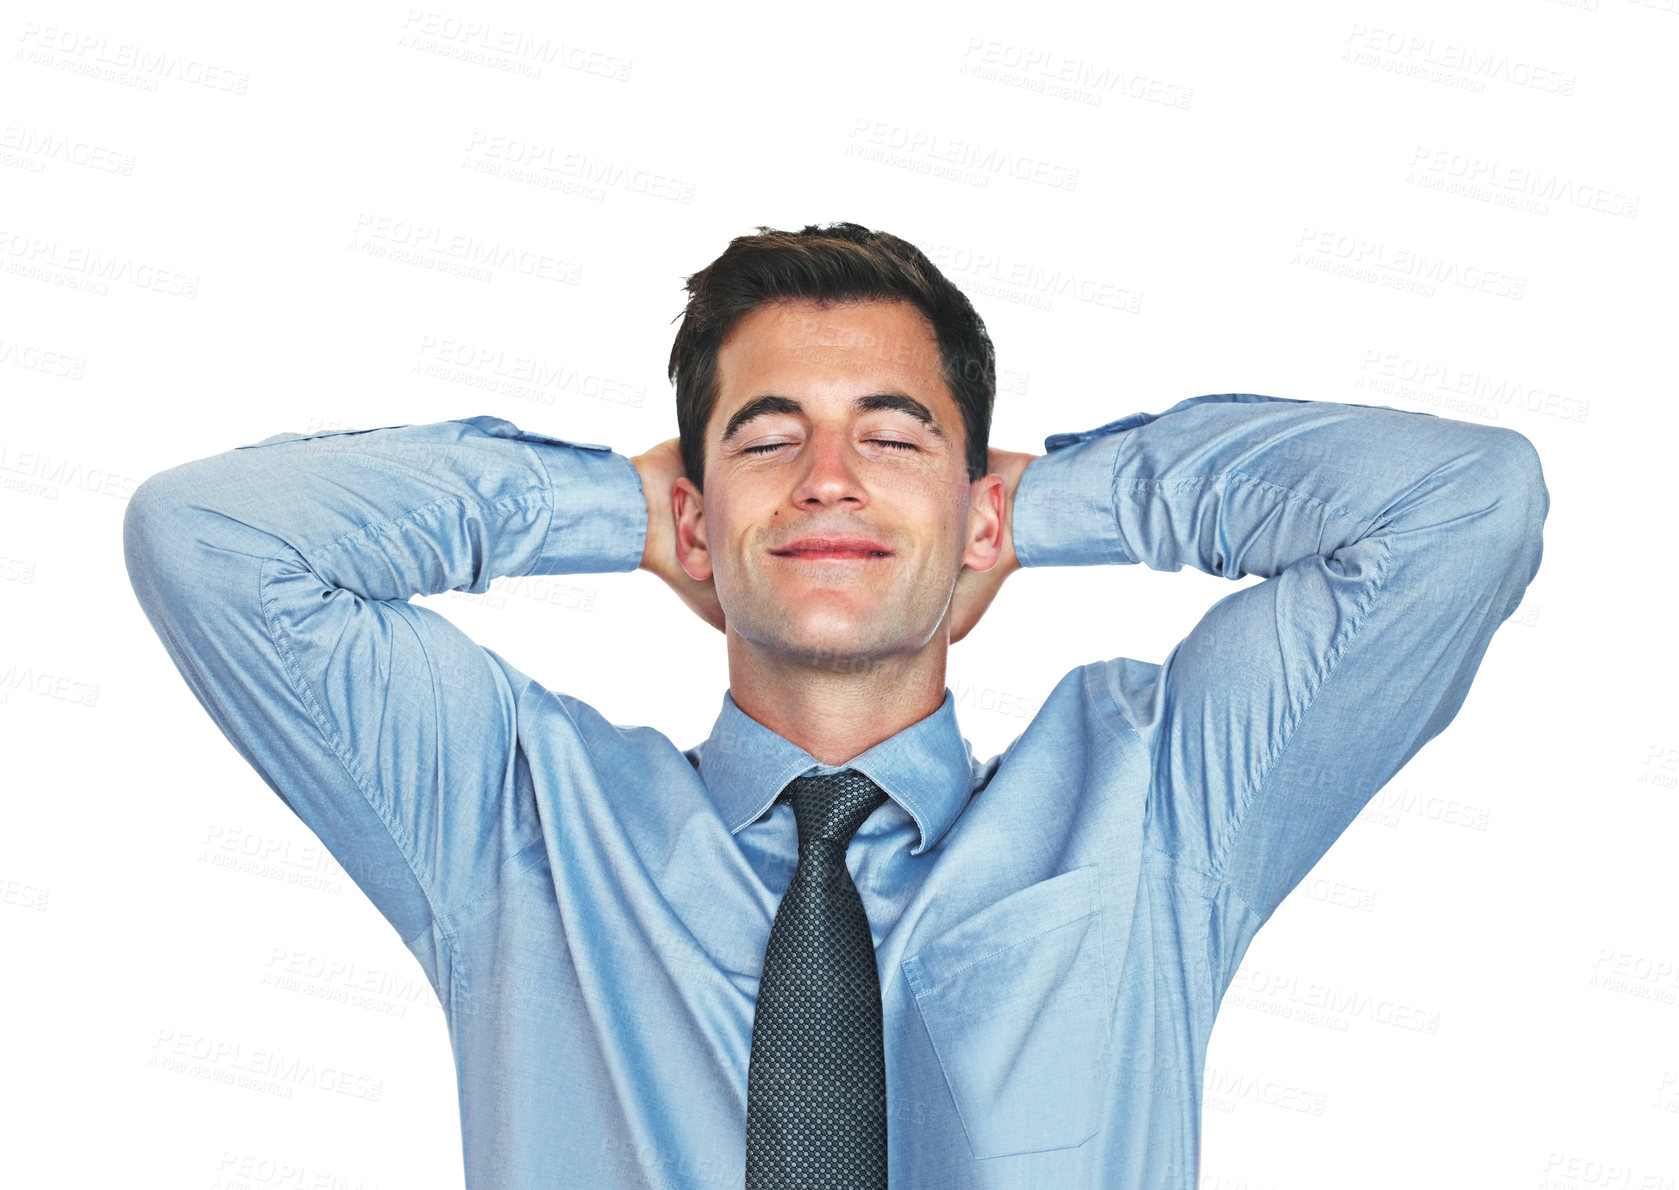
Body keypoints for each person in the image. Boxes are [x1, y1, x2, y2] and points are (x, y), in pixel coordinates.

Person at [123, 221, 1548, 1189]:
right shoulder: (509, 824)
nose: (828, 479)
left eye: (890, 433)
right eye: (766, 439)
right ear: (696, 516)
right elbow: (215, 541)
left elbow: (1464, 508)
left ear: (973, 497)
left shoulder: (1161, 807)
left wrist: (1041, 507)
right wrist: (610, 510)